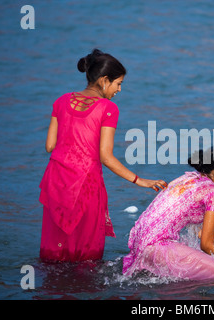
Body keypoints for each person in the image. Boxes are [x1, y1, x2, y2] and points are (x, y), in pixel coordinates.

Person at [39, 49, 167, 262]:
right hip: (85, 183)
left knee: (56, 246)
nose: (118, 89)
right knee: (86, 252)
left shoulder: (60, 101)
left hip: (56, 179)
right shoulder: (108, 108)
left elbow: (50, 145)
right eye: (118, 84)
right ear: (105, 81)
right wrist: (139, 180)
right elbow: (105, 156)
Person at [122, 145, 214, 281]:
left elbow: (198, 231)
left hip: (140, 241)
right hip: (155, 247)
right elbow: (207, 245)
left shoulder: (190, 179)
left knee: (195, 247)